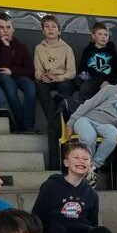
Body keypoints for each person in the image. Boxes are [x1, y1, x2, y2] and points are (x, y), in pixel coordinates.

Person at [32, 142, 112, 233]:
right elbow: (37, 215)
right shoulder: (51, 186)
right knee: (57, 230)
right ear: (66, 162)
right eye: (76, 157)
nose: (81, 161)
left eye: (85, 159)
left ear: (90, 164)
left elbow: (92, 224)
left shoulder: (91, 193)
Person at [35, 15, 78, 169]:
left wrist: (58, 77)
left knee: (65, 85)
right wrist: (43, 76)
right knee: (39, 84)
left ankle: (60, 119)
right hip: (47, 80)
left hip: (62, 80)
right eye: (47, 26)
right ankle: (53, 119)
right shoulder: (39, 49)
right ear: (42, 30)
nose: (51, 29)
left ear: (59, 31)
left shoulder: (67, 48)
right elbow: (37, 71)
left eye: (54, 26)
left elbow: (72, 72)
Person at [0, 12, 37, 133]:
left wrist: (12, 71)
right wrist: (6, 46)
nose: (5, 30)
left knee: (31, 87)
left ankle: (27, 124)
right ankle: (22, 124)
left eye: (8, 27)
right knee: (10, 88)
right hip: (3, 77)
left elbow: (30, 70)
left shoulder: (21, 46)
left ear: (13, 28)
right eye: (1, 27)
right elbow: (1, 66)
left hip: (18, 75)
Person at [76, 22, 117, 103]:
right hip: (92, 79)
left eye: (106, 35)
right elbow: (82, 70)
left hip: (108, 80)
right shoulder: (88, 50)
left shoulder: (111, 50)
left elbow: (116, 69)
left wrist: (107, 81)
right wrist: (99, 81)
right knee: (84, 85)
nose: (103, 37)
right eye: (100, 34)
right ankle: (81, 111)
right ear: (93, 36)